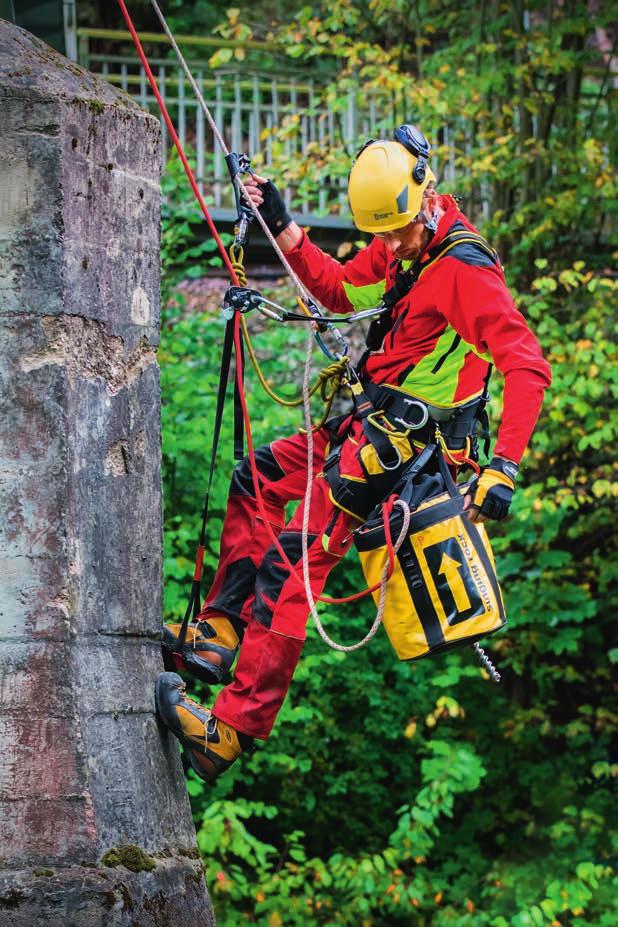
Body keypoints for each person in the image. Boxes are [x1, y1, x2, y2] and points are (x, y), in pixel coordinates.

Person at [155, 126, 552, 782]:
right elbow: (340, 290)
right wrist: (283, 227)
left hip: (399, 455)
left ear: (425, 199)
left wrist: (503, 466)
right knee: (254, 479)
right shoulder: (403, 245)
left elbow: (527, 366)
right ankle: (219, 634)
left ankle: (227, 732)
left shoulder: (462, 271)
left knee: (291, 564)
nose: (390, 246)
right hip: (364, 428)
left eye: (397, 232)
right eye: (383, 234)